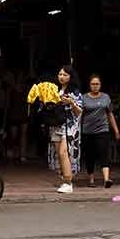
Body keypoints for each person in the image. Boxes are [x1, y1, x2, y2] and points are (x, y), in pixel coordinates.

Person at [80, 75, 120, 188]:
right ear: (89, 85)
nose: (95, 86)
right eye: (93, 84)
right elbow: (79, 115)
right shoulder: (83, 98)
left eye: (97, 84)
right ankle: (91, 179)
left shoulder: (105, 97)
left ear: (100, 85)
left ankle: (106, 179)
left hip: (102, 130)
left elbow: (110, 114)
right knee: (90, 156)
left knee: (104, 154)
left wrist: (116, 130)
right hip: (87, 131)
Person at [53, 65, 83, 194]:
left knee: (64, 153)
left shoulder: (75, 93)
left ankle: (68, 183)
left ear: (71, 77)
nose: (62, 77)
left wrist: (71, 102)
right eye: (60, 74)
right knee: (58, 155)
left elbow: (79, 112)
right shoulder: (54, 90)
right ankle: (64, 179)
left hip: (70, 127)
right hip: (56, 125)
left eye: (65, 75)